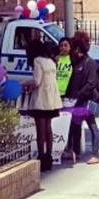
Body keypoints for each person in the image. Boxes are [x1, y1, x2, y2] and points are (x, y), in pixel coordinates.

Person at [23, 38, 63, 172]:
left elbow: (36, 81)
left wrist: (26, 84)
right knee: (48, 129)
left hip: (41, 99)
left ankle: (41, 157)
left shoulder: (37, 61)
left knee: (40, 130)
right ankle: (49, 157)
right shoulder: (51, 61)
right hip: (51, 100)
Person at [65, 35, 99, 164]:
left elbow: (91, 83)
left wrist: (79, 94)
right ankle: (75, 152)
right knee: (75, 126)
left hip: (89, 100)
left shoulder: (89, 62)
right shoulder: (77, 62)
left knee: (92, 126)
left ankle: (96, 154)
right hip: (79, 100)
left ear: (78, 48)